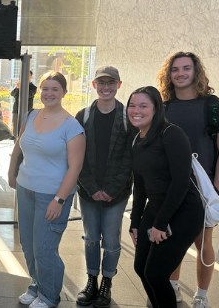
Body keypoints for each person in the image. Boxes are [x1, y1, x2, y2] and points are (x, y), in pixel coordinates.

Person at [158, 52, 219, 308]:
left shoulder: (217, 107)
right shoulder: (161, 107)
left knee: (203, 244)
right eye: (175, 69)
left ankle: (201, 295)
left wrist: (216, 189)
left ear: (196, 72)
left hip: (203, 190)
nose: (180, 73)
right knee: (171, 242)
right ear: (168, 74)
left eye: (186, 68)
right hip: (169, 188)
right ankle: (173, 289)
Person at [8, 71, 86, 308]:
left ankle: (50, 296)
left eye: (55, 89)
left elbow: (75, 168)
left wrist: (59, 200)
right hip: (25, 188)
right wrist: (12, 172)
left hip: (52, 195)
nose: (49, 93)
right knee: (28, 245)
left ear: (64, 92)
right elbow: (18, 147)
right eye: (45, 88)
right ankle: (37, 285)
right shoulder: (30, 116)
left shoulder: (72, 126)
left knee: (45, 248)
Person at [128, 86, 205, 308]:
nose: (136, 110)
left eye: (143, 105)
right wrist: (135, 222)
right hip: (156, 207)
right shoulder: (138, 138)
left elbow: (181, 182)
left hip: (184, 210)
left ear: (156, 108)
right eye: (132, 105)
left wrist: (162, 223)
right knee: (141, 268)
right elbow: (140, 186)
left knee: (156, 273)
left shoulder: (171, 133)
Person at [74, 66, 134, 308]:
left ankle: (107, 282)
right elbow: (75, 156)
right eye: (102, 82)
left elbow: (130, 159)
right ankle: (91, 280)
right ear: (94, 85)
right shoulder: (83, 116)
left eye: (111, 83)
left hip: (116, 195)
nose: (106, 87)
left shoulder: (127, 117)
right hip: (88, 192)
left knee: (110, 240)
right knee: (90, 238)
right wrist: (91, 187)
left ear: (119, 85)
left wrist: (111, 189)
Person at [11, 70, 38, 137]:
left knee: (25, 130)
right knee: (15, 130)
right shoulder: (19, 85)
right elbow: (13, 94)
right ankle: (15, 145)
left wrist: (22, 87)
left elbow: (28, 95)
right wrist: (17, 88)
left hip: (27, 111)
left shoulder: (33, 87)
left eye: (28, 75)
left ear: (31, 77)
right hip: (16, 110)